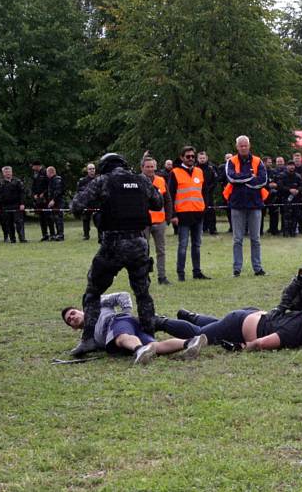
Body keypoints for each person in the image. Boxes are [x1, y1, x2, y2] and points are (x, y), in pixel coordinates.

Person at [69, 152, 163, 356]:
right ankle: (149, 334)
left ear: (103, 167)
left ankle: (88, 339)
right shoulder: (141, 180)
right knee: (143, 294)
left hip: (113, 244)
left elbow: (76, 205)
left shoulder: (103, 181)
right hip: (139, 244)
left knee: (93, 292)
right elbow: (158, 202)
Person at [61, 292, 205, 365]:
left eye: (73, 313)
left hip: (116, 323)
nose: (72, 318)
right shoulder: (87, 338)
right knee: (154, 346)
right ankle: (190, 342)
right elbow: (80, 349)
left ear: (81, 310)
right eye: (69, 320)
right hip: (128, 330)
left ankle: (138, 350)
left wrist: (125, 312)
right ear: (73, 328)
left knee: (120, 338)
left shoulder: (95, 305)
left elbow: (123, 295)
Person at [157, 307, 302, 351]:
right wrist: (241, 348)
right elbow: (260, 343)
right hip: (239, 325)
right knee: (199, 335)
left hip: (249, 315)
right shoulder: (290, 335)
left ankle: (191, 316)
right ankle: (160, 322)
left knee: (217, 326)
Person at [223, 135, 268, 277]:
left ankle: (258, 268)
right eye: (241, 145)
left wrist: (241, 178)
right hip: (237, 204)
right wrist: (250, 178)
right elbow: (231, 178)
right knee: (237, 239)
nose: (243, 147)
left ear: (249, 146)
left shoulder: (258, 161)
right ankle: (237, 269)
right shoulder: (231, 161)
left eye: (245, 145)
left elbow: (263, 180)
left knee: (256, 239)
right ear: (237, 147)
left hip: (255, 204)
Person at [168, 146, 210, 281]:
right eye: (188, 156)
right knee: (183, 246)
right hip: (183, 214)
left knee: (197, 245)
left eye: (193, 156)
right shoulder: (175, 172)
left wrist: (204, 208)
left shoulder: (199, 171)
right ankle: (181, 273)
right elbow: (170, 195)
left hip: (198, 213)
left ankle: (197, 272)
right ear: (182, 157)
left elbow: (204, 192)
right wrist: (173, 215)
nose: (191, 158)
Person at [141, 156, 173, 285]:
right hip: (143, 222)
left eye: (152, 166)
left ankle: (162, 277)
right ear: (142, 168)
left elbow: (168, 200)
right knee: (143, 251)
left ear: (155, 167)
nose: (150, 169)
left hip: (160, 222)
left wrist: (168, 217)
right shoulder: (138, 181)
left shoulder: (161, 180)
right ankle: (144, 277)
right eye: (147, 167)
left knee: (161, 251)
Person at [0, 166, 27, 243]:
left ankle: (22, 238)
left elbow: (22, 193)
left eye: (9, 172)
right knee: (8, 224)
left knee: (19, 222)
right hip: (5, 206)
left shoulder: (18, 181)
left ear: (11, 172)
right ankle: (12, 239)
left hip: (16, 205)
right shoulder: (0, 183)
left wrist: (22, 203)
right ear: (3, 173)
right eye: (6, 172)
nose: (8, 173)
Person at [30, 161, 55, 241]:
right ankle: (45, 235)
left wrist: (44, 193)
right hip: (38, 199)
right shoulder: (35, 174)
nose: (32, 168)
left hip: (46, 198)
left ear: (37, 166)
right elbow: (33, 185)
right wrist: (34, 194)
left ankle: (52, 234)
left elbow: (49, 185)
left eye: (33, 166)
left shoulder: (45, 172)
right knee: (41, 218)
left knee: (49, 217)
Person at [278, 160, 302, 237]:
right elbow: (280, 186)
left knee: (295, 215)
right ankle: (286, 232)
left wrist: (298, 190)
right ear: (287, 166)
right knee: (286, 215)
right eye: (290, 165)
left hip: (296, 198)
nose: (292, 166)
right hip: (285, 197)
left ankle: (293, 232)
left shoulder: (298, 176)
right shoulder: (282, 175)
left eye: (293, 165)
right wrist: (289, 189)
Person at [197, 151, 219, 235]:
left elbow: (216, 180)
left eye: (203, 158)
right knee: (200, 211)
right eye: (200, 158)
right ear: (197, 159)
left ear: (206, 158)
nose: (202, 160)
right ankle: (202, 228)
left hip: (209, 193)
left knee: (210, 211)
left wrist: (210, 188)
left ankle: (212, 229)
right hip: (198, 193)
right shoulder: (195, 168)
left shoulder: (211, 168)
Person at [77, 163, 98, 241]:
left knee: (99, 219)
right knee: (85, 219)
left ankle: (101, 234)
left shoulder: (98, 179)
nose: (92, 170)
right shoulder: (83, 180)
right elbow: (79, 191)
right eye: (90, 169)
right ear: (87, 170)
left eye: (93, 168)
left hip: (97, 202)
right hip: (87, 203)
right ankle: (86, 235)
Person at [266, 156, 286, 236]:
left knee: (284, 212)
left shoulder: (287, 171)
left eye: (281, 161)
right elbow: (270, 181)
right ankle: (273, 229)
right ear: (276, 162)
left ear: (283, 162)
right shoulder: (272, 171)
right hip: (274, 194)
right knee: (273, 213)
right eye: (278, 161)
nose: (280, 163)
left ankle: (284, 229)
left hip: (284, 193)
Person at [46, 166, 65, 241]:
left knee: (58, 218)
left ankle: (60, 235)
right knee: (52, 218)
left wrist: (53, 200)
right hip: (53, 202)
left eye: (47, 172)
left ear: (51, 172)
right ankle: (54, 234)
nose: (46, 174)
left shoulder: (57, 180)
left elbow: (58, 191)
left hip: (58, 202)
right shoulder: (51, 180)